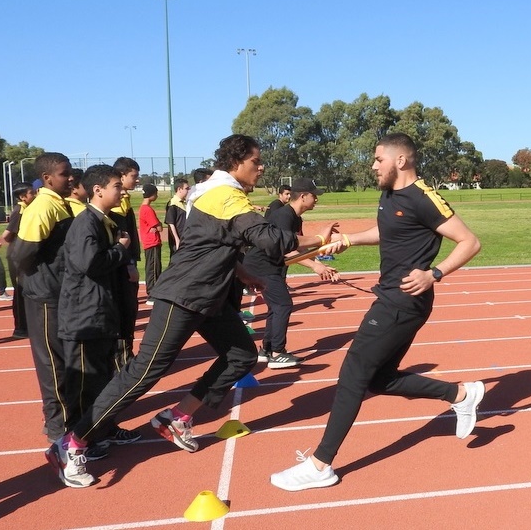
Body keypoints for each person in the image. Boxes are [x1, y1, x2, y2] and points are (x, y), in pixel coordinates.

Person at [45, 134, 338, 489]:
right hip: (184, 294)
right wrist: (320, 239)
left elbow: (214, 241)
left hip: (209, 296)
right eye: (256, 162)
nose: (261, 168)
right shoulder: (223, 193)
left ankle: (177, 417)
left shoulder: (221, 193)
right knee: (144, 372)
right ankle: (72, 442)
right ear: (237, 162)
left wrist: (244, 274)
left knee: (241, 356)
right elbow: (270, 240)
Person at [271, 133, 484, 491]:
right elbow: (387, 232)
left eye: (377, 159)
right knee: (377, 379)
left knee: (352, 374)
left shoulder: (424, 198)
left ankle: (321, 464)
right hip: (391, 298)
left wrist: (434, 273)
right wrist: (350, 239)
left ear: (400, 161)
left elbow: (470, 241)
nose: (373, 166)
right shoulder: (390, 195)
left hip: (402, 301)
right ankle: (461, 395)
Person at [58, 164, 140, 459]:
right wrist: (121, 250)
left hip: (101, 313)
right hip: (84, 318)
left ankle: (102, 428)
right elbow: (89, 263)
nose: (123, 191)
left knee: (103, 379)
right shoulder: (86, 223)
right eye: (118, 186)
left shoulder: (105, 221)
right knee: (83, 384)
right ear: (98, 189)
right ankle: (74, 442)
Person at [8, 153, 74, 443]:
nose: (70, 177)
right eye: (64, 173)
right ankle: (57, 428)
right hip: (45, 296)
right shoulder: (42, 207)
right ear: (47, 178)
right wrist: (39, 280)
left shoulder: (59, 204)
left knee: (64, 359)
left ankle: (65, 418)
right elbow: (20, 254)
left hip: (59, 293)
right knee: (52, 362)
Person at [244, 177, 339, 368]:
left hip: (271, 265)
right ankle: (278, 353)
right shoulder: (283, 216)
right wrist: (315, 267)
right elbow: (286, 249)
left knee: (276, 306)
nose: (317, 199)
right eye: (314, 196)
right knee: (283, 305)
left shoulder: (295, 218)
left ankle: (267, 350)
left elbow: (299, 245)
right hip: (262, 265)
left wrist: (320, 259)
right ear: (303, 196)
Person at [110, 157, 141, 367]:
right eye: (133, 176)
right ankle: (122, 358)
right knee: (124, 309)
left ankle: (126, 354)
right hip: (122, 264)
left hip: (127, 261)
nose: (136, 180)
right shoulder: (116, 205)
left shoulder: (125, 200)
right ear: (121, 176)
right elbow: (121, 236)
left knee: (130, 309)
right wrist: (128, 262)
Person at [1, 182, 37, 337]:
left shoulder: (29, 209)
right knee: (20, 291)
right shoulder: (19, 210)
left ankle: (27, 325)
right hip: (17, 256)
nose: (34, 195)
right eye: (31, 193)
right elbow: (6, 235)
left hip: (22, 254)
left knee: (26, 290)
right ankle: (20, 327)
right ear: (23, 197)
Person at [139, 183, 162, 303]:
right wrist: (158, 225)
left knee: (154, 267)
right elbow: (159, 227)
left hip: (151, 242)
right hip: (151, 242)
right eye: (156, 193)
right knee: (153, 269)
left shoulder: (144, 208)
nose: (157, 196)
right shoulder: (147, 209)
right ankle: (152, 294)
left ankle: (153, 292)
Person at [165, 177, 190, 257]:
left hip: (186, 239)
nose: (188, 190)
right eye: (186, 188)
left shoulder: (186, 203)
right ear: (179, 189)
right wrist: (177, 240)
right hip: (178, 241)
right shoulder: (172, 204)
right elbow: (170, 223)